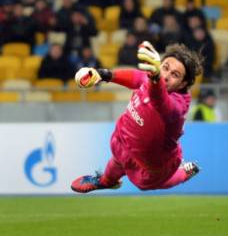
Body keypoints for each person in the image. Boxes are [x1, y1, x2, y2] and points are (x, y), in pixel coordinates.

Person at [71, 41, 203, 193]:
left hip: (154, 166)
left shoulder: (178, 106)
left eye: (175, 75)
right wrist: (102, 74)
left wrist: (156, 78)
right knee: (118, 157)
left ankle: (184, 172)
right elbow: (137, 77)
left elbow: (161, 102)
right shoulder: (150, 79)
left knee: (143, 184)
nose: (166, 76)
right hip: (125, 143)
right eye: (165, 68)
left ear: (182, 84)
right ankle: (105, 181)